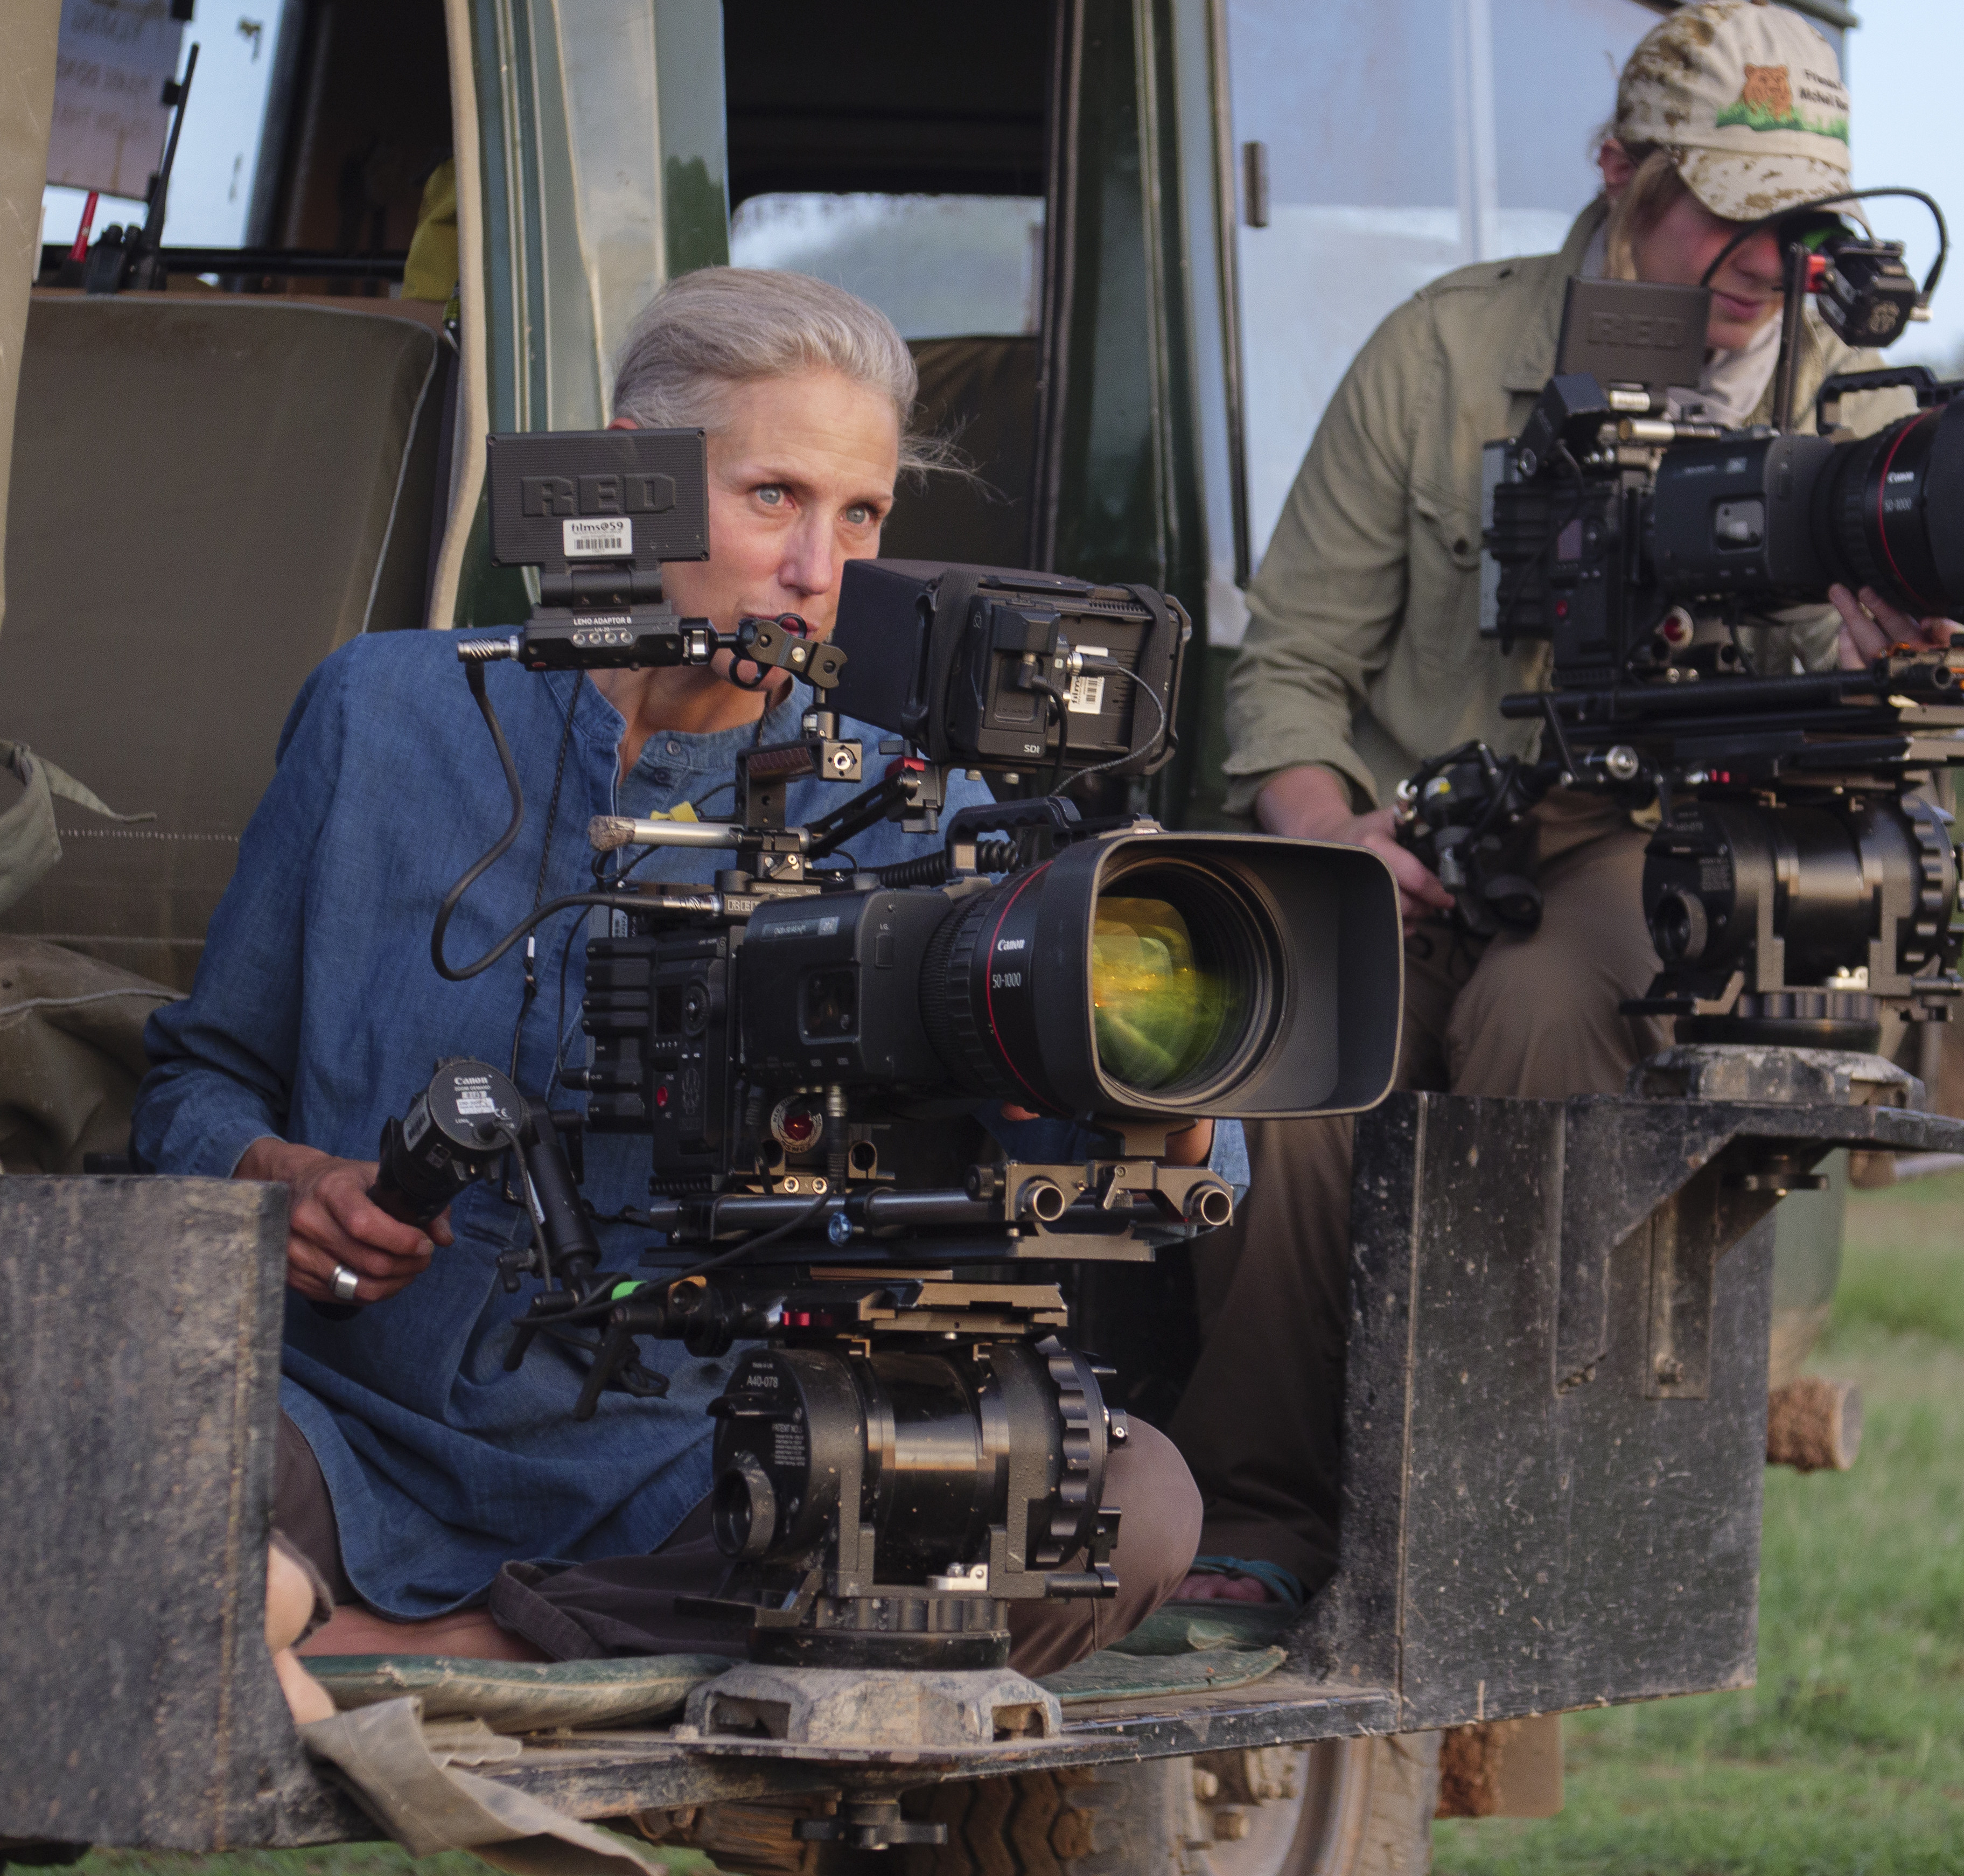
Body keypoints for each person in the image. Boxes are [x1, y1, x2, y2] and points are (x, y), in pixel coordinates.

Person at [135, 266, 1202, 1674]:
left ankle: (429, 1652)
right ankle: (488, 1642)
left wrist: (1168, 1074)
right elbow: (196, 1080)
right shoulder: (382, 709)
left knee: (1119, 1497)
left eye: (861, 514)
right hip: (339, 1422)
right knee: (102, 1422)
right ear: (634, 472)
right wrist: (284, 1179)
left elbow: (1159, 1144)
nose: (819, 570)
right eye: (774, 498)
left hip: (712, 1453)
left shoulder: (935, 801)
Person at [1170, 0, 1954, 1605]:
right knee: (1295, 1071)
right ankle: (1257, 1521)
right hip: (1419, 830)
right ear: (1617, 172)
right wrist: (1332, 846)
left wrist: (1898, 636)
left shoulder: (1850, 402)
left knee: (1540, 1016)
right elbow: (1293, 675)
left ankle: (1489, 1508)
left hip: (1660, 852)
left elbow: (1893, 694)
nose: (1757, 266)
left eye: (1795, 228)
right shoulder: (1446, 349)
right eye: (1724, 216)